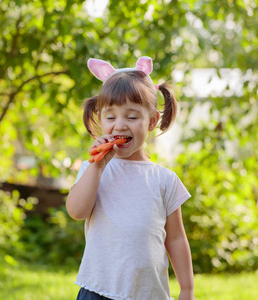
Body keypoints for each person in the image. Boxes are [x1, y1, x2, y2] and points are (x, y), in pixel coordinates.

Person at [66, 56, 195, 300]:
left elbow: (176, 238)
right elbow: (76, 211)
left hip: (149, 294)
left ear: (152, 121)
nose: (120, 126)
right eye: (111, 117)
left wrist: (187, 290)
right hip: (98, 290)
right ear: (100, 118)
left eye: (132, 117)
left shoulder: (164, 179)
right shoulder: (92, 169)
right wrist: (97, 167)